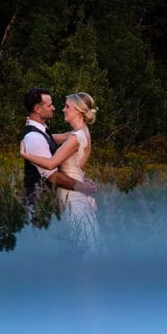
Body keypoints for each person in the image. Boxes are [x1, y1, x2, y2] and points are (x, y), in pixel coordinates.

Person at [21, 90, 100, 250]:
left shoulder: (75, 137)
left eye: (66, 106)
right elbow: (52, 137)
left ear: (78, 110)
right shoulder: (79, 132)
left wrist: (25, 154)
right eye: (51, 105)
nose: (60, 109)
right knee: (79, 243)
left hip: (72, 195)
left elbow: (51, 165)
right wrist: (33, 125)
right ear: (37, 109)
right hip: (62, 195)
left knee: (78, 244)